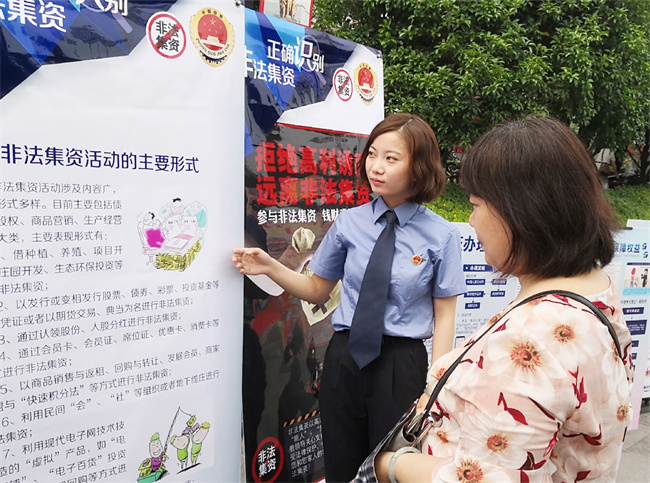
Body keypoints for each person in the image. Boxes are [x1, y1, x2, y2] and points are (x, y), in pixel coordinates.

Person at [374, 115, 634, 482]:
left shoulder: (530, 343)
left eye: (476, 204)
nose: (471, 220)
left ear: (522, 211)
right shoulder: (593, 290)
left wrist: (390, 464)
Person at [233, 113, 466, 481]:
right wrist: (270, 267)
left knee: (392, 469)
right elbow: (316, 289)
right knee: (341, 465)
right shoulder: (349, 223)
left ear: (419, 167)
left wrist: (433, 389)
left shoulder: (441, 235)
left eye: (391, 158)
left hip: (401, 365)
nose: (376, 166)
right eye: (372, 154)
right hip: (344, 359)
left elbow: (445, 318)